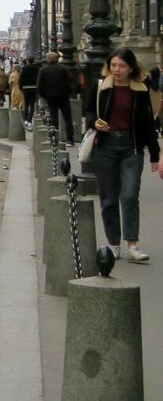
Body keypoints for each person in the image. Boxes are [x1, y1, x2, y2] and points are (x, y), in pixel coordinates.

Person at [85, 48, 160, 262]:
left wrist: (155, 154)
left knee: (129, 195)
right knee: (108, 199)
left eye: (122, 66)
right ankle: (114, 244)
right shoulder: (101, 86)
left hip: (131, 146)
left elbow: (147, 123)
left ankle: (132, 245)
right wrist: (94, 123)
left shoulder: (139, 89)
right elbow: (89, 111)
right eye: (114, 65)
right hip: (105, 146)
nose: (117, 70)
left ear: (131, 68)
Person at [37, 51, 77, 146]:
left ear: (48, 59)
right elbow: (71, 79)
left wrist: (44, 95)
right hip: (63, 96)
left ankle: (55, 138)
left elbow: (39, 85)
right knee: (67, 118)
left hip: (50, 97)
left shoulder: (43, 70)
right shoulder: (63, 68)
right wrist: (68, 90)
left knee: (53, 118)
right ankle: (70, 140)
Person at [19, 57, 40, 130]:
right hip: (34, 88)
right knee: (32, 105)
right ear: (34, 61)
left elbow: (21, 79)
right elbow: (38, 78)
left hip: (25, 88)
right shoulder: (36, 68)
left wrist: (21, 87)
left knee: (26, 104)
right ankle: (30, 120)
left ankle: (25, 119)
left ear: (27, 61)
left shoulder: (24, 68)